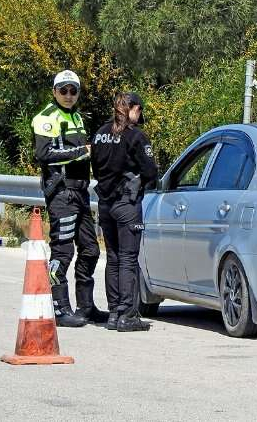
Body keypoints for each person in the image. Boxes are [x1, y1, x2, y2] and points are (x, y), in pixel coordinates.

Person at [32, 70, 107, 327]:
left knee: (91, 249)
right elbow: (44, 153)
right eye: (63, 90)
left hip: (81, 193)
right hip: (61, 193)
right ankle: (60, 309)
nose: (68, 95)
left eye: (73, 90)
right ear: (54, 92)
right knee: (62, 252)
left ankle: (86, 307)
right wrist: (81, 152)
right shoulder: (46, 117)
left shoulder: (76, 116)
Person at [91, 92, 158, 332]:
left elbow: (96, 168)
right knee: (128, 259)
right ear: (134, 109)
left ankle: (114, 313)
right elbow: (151, 172)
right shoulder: (136, 136)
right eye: (140, 112)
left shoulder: (100, 133)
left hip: (105, 204)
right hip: (127, 204)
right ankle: (127, 316)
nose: (140, 117)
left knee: (113, 257)